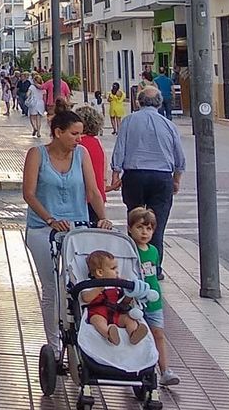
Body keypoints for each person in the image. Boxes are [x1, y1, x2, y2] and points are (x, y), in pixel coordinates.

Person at [23, 107, 114, 352]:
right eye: (74, 134)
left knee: (78, 283)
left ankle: (81, 338)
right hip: (43, 228)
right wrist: (50, 219)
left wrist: (103, 218)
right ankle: (53, 344)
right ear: (58, 132)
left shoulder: (81, 154)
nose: (79, 139)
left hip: (77, 227)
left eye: (80, 134)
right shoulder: (37, 155)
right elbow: (29, 194)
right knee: (52, 286)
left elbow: (93, 191)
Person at [110, 85, 186, 267]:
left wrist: (115, 173)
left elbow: (120, 148)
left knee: (134, 221)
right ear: (159, 103)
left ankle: (134, 264)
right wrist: (176, 179)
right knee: (156, 225)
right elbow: (179, 157)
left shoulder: (128, 121)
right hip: (161, 177)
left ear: (139, 102)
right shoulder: (169, 125)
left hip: (134, 176)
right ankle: (155, 267)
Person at [127, 206, 180, 386]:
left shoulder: (153, 251)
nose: (144, 232)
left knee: (158, 333)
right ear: (130, 228)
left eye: (149, 228)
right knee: (135, 333)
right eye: (140, 227)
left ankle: (165, 370)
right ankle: (134, 366)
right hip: (134, 300)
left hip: (153, 299)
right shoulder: (128, 251)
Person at [81, 250, 148, 346]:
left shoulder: (118, 284)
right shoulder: (90, 284)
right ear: (100, 272)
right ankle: (108, 333)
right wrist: (100, 287)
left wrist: (130, 294)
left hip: (116, 311)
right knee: (97, 321)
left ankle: (134, 333)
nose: (117, 271)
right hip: (98, 312)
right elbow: (85, 298)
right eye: (113, 268)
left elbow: (124, 301)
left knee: (128, 319)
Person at [75, 104, 108, 199]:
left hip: (80, 196)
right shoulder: (97, 142)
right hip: (97, 195)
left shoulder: (76, 143)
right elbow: (103, 172)